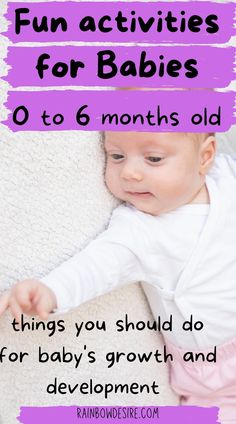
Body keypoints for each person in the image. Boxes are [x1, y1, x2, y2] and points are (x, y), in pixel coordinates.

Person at [0, 130, 236, 422]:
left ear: (205, 157)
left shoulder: (227, 176)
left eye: (153, 158)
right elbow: (97, 265)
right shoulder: (139, 229)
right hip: (213, 380)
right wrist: (50, 290)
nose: (130, 173)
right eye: (117, 156)